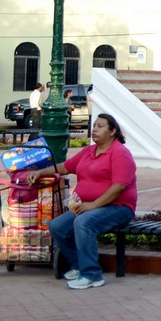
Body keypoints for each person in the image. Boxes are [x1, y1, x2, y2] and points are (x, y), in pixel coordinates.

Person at [26, 112, 137, 289]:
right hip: (88, 207)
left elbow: (119, 187)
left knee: (83, 223)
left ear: (113, 131)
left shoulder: (119, 153)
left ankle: (92, 275)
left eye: (100, 126)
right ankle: (78, 265)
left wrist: (92, 205)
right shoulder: (88, 151)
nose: (95, 129)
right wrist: (40, 172)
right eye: (94, 126)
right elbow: (65, 167)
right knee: (57, 226)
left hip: (118, 208)